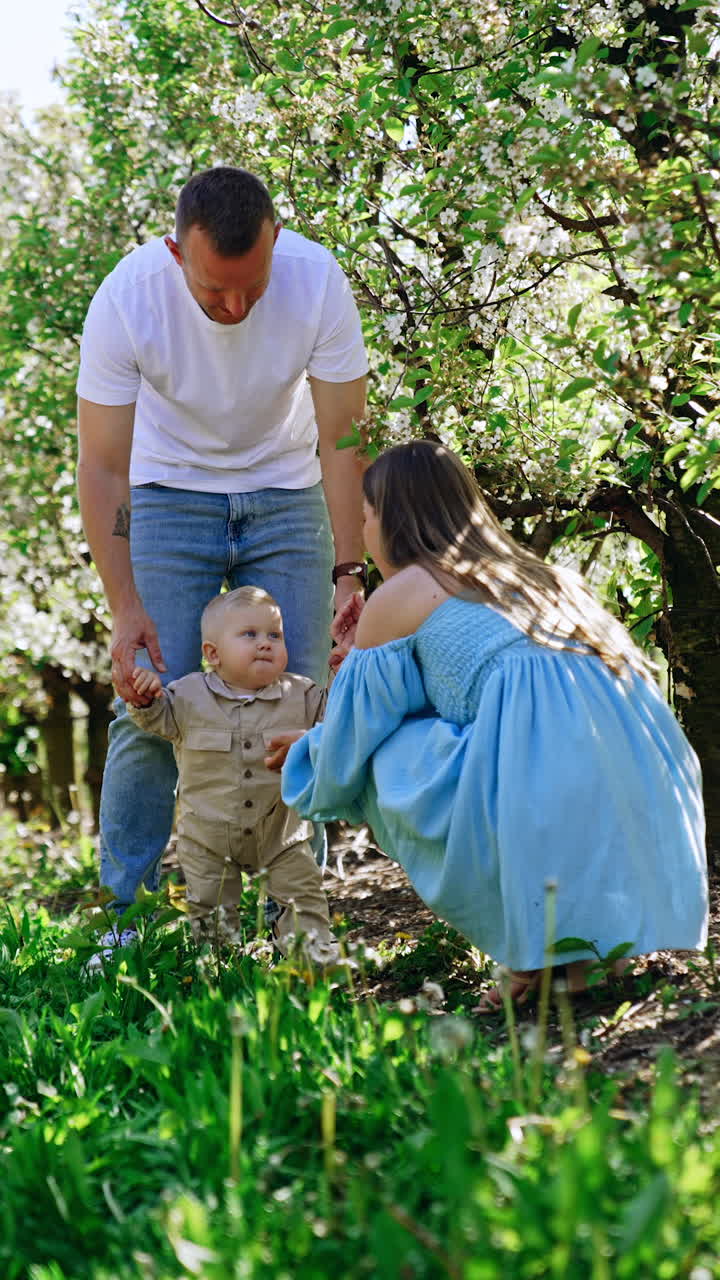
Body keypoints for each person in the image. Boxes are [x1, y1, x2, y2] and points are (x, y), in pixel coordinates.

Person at [282, 440, 709, 1007]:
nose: (362, 532)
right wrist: (360, 649)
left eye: (364, 517)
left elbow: (357, 732)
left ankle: (531, 950)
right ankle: (587, 956)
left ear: (393, 518)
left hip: (541, 780)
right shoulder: (541, 577)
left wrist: (310, 753)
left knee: (388, 756)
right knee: (514, 749)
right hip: (644, 768)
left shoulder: (408, 588)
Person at [76, 166, 368, 960]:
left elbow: (343, 439)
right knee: (149, 697)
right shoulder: (128, 298)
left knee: (300, 698)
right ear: (176, 254)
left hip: (285, 488)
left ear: (276, 239)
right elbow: (103, 466)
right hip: (167, 490)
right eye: (214, 292)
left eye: (252, 286)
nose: (235, 309)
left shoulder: (316, 282)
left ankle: (292, 921)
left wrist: (351, 572)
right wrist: (124, 605)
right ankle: (124, 917)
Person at [123, 586, 337, 965]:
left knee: (304, 897)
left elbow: (337, 714)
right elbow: (157, 718)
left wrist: (341, 670)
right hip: (208, 836)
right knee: (211, 909)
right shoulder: (188, 696)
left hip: (281, 833)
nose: (266, 644)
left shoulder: (302, 695)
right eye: (250, 635)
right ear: (212, 654)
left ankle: (312, 964)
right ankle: (219, 971)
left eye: (275, 635)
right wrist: (144, 698)